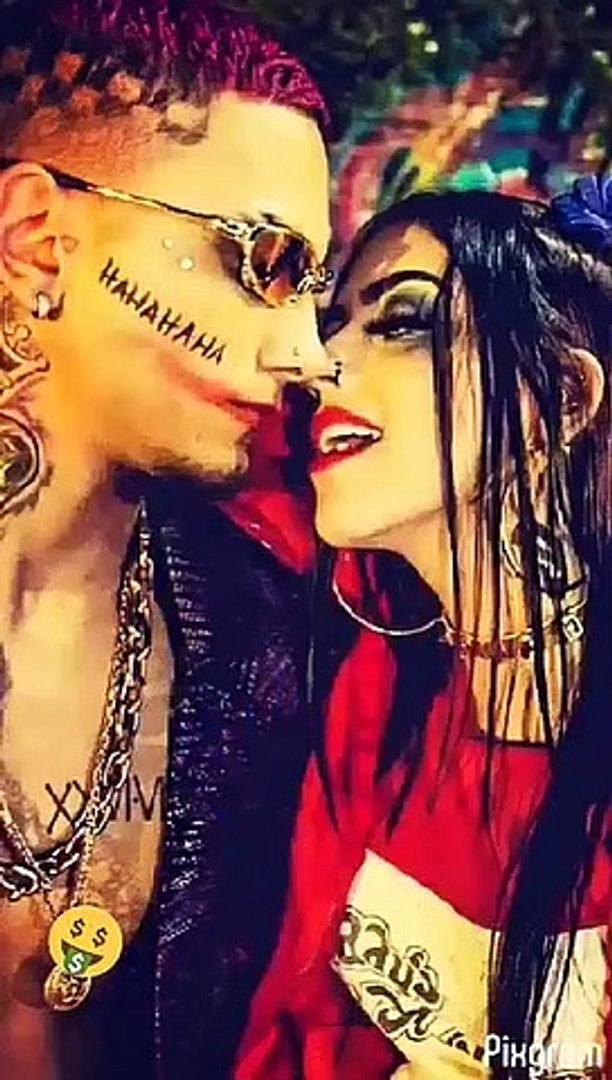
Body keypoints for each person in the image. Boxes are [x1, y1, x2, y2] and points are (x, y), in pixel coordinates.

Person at [0, 0, 335, 1076]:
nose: (308, 353)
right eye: (266, 261)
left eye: (315, 290)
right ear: (39, 241)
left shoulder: (262, 636)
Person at [235, 186, 612, 1078]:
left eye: (403, 323)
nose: (320, 364)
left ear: (560, 399)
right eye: (330, 326)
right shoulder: (375, 683)